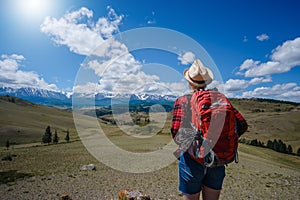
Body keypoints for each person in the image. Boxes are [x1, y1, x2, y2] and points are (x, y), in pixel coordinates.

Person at [171, 59, 248, 200]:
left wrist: (193, 145)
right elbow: (242, 124)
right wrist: (222, 140)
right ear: (207, 82)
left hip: (192, 160)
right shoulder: (220, 99)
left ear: (189, 82)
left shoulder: (183, 101)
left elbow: (176, 132)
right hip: (218, 158)